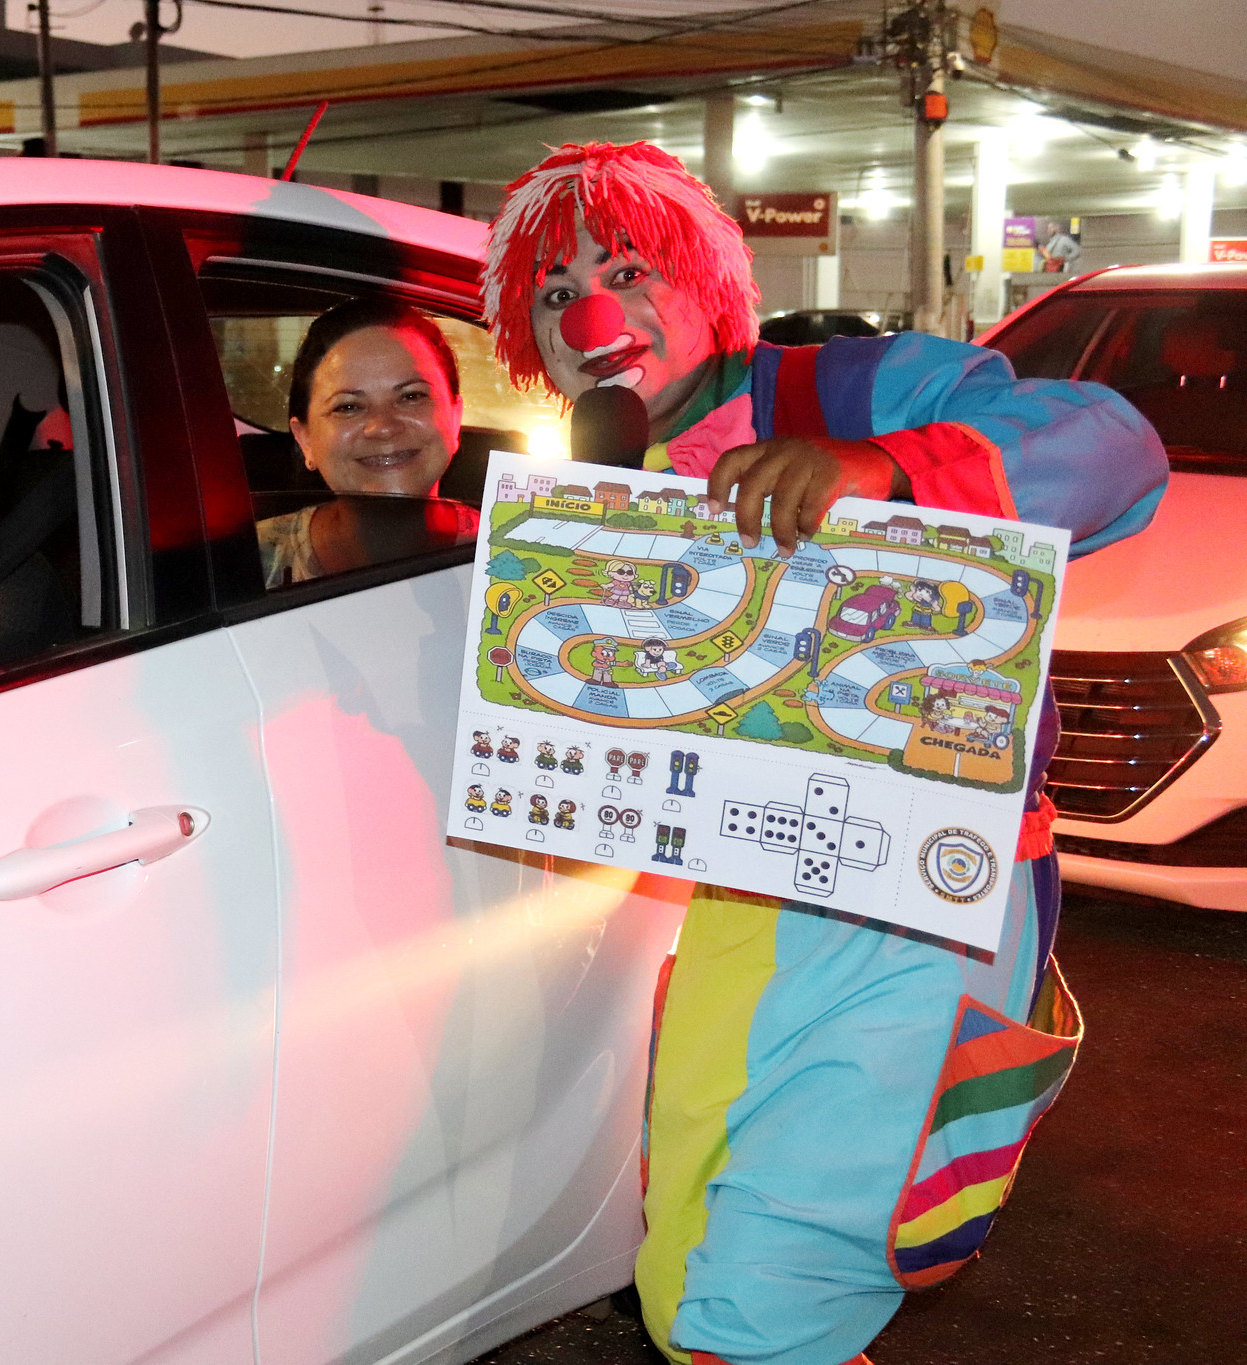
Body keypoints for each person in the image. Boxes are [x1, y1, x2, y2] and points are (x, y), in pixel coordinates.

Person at [483, 142, 1166, 1365]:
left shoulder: (857, 388)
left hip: (915, 904)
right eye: (554, 293)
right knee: (686, 1259)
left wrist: (887, 470)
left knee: (764, 1289)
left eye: (627, 271)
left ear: (707, 283)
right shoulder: (600, 473)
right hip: (735, 907)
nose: (591, 315)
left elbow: (1113, 446)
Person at [258, 297, 480, 587]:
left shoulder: (516, 554)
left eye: (411, 396)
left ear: (455, 418)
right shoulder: (243, 564)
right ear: (305, 439)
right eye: (348, 407)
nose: (383, 427)